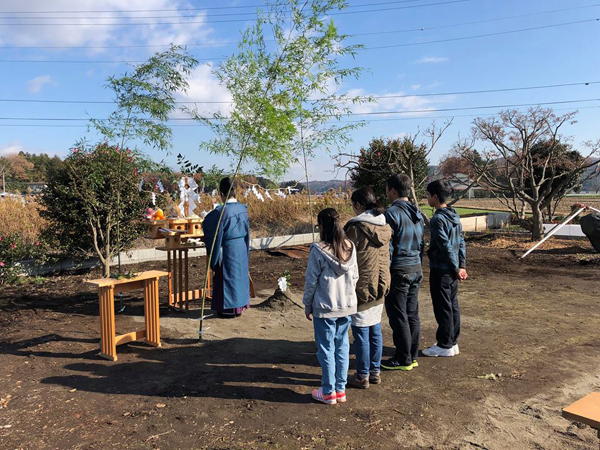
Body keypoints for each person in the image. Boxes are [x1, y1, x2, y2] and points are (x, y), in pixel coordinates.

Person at [303, 208, 359, 405]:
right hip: (347, 306)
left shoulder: (317, 249)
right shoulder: (350, 246)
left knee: (326, 349)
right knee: (342, 347)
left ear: (321, 225)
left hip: (325, 307)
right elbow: (356, 277)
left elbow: (311, 281)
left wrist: (307, 304)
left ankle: (328, 392)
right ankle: (340, 390)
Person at [344, 187, 392, 389]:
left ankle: (362, 375)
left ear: (358, 205)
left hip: (361, 288)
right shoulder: (384, 226)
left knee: (362, 333)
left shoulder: (355, 228)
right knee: (375, 330)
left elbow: (343, 256)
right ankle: (375, 372)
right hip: (381, 285)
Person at [381, 174, 425, 371]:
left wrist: (384, 273)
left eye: (387, 190)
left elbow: (388, 247)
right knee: (412, 313)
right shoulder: (417, 212)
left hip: (399, 269)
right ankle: (412, 355)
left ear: (393, 190)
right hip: (416, 267)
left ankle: (402, 358)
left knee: (398, 316)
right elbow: (422, 242)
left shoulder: (391, 213)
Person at [422, 180, 468, 357]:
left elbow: (444, 245)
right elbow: (461, 242)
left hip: (442, 269)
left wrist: (456, 267)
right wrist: (461, 265)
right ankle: (452, 341)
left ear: (435, 196)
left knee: (443, 307)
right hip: (453, 269)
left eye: (427, 195)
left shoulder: (438, 218)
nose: (427, 198)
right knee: (452, 305)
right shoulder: (454, 215)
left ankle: (444, 344)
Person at [202, 177, 250, 318]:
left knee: (227, 278)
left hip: (227, 249)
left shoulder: (221, 212)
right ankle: (239, 307)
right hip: (241, 247)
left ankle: (227, 309)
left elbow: (208, 224)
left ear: (222, 194)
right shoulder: (243, 209)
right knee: (239, 276)